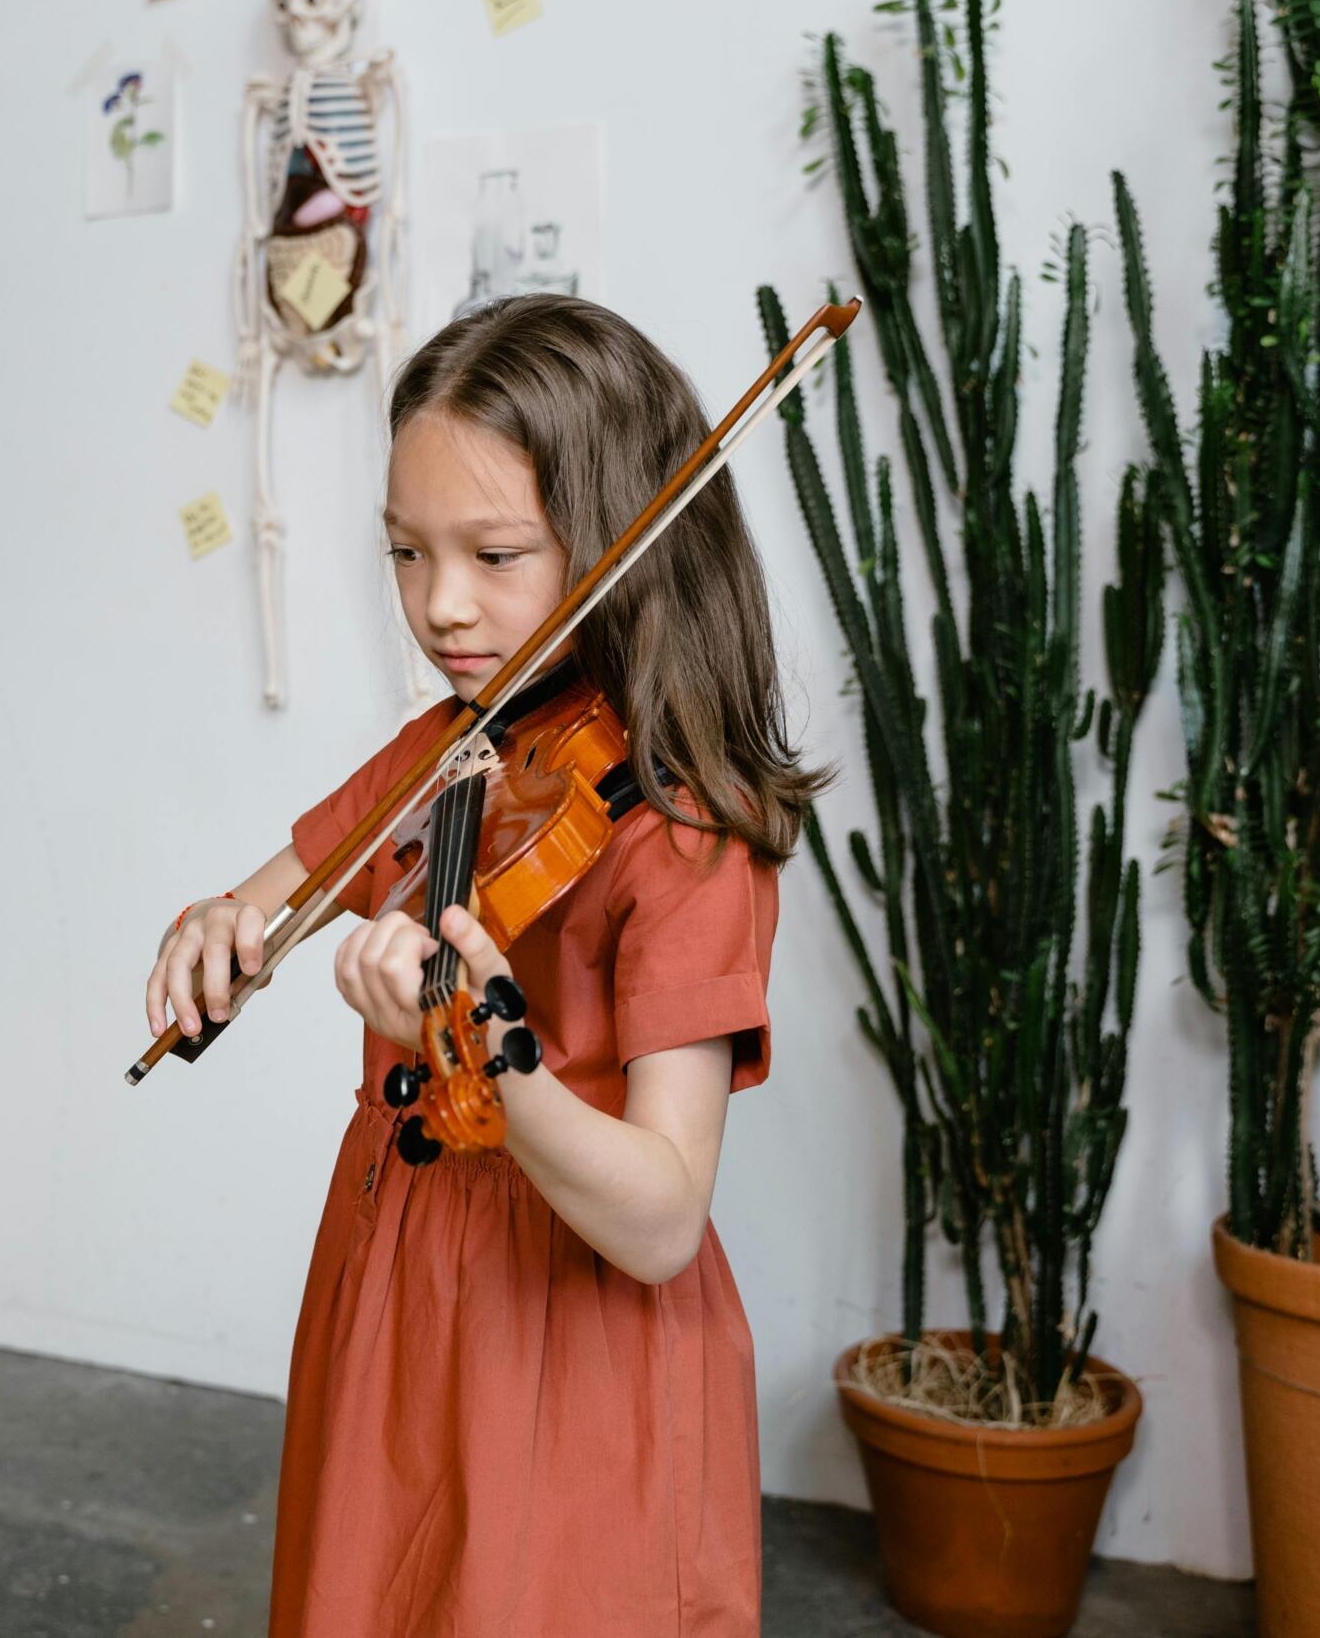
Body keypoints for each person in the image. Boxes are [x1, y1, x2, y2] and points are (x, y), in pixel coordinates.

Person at [144, 295, 824, 1635]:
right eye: (406, 553)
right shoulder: (459, 741)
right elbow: (273, 904)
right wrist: (216, 923)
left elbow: (660, 1218)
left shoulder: (686, 835)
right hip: (401, 1281)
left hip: (564, 1322)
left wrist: (491, 1056)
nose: (440, 605)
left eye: (495, 554)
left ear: (628, 537)